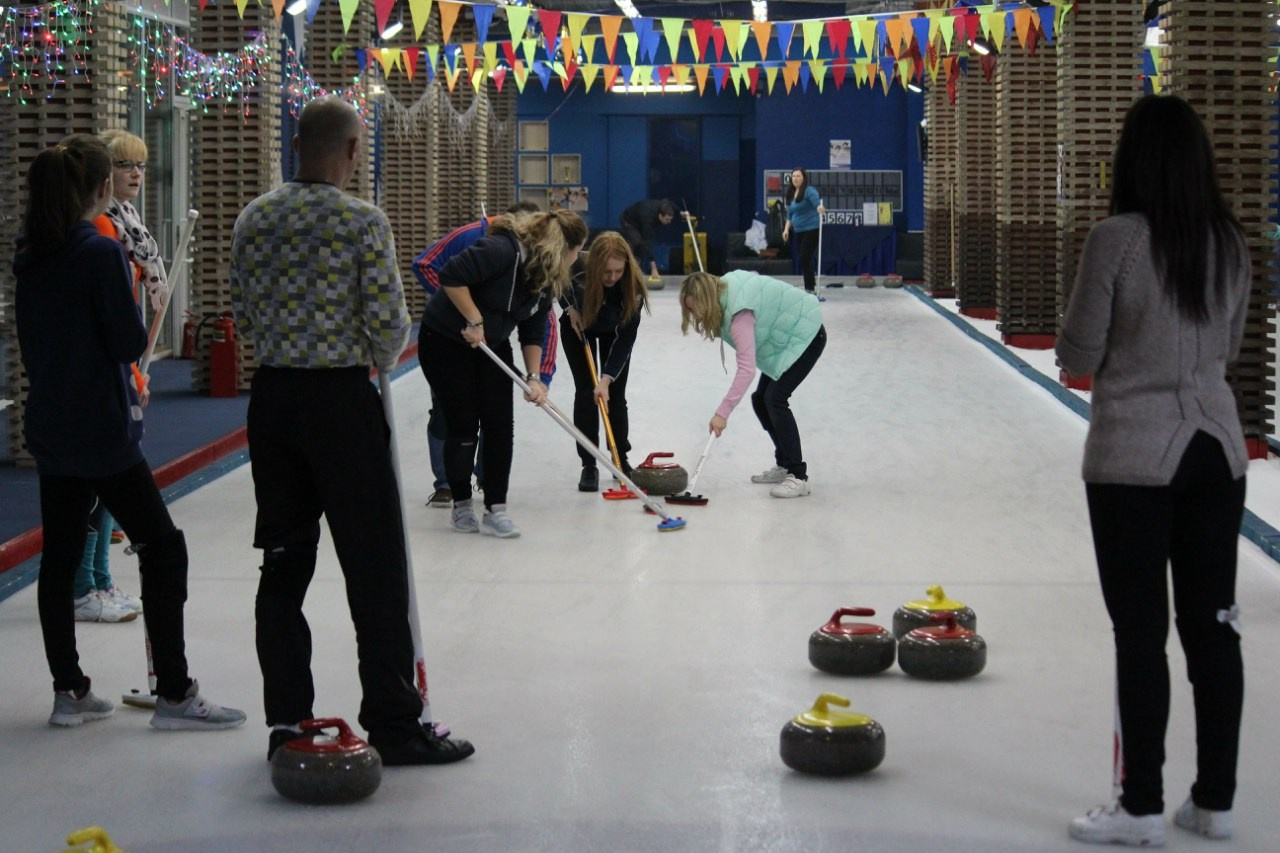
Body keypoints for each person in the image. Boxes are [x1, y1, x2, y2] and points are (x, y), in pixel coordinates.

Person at [230, 97, 473, 765]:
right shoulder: (362, 222)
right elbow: (393, 326)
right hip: (342, 401)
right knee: (374, 567)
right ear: (352, 150)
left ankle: (287, 720)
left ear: (296, 141)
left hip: (274, 402)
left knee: (283, 563)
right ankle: (394, 722)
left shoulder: (253, 217)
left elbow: (242, 316)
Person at [1059, 95, 1250, 847]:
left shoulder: (1117, 241)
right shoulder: (1229, 242)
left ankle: (1140, 805)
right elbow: (1228, 347)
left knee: (1140, 633)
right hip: (1217, 454)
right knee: (1214, 629)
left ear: (1132, 163)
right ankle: (1215, 800)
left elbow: (1078, 353)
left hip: (1132, 461)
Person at [14, 133, 245, 731]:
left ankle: (70, 690)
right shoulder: (97, 250)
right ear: (99, 187)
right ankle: (174, 692)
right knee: (163, 547)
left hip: (54, 421)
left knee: (60, 557)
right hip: (99, 425)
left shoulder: (32, 249)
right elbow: (125, 339)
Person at [419, 208, 587, 538]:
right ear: (561, 246)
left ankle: (497, 508)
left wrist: (534, 377)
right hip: (445, 340)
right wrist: (474, 319)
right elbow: (451, 275)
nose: (577, 258)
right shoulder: (503, 251)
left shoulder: (546, 275)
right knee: (464, 424)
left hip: (491, 342)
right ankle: (462, 505)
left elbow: (533, 328)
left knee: (499, 424)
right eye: (577, 251)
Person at [68, 128, 166, 624]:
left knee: (106, 487)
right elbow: (111, 316)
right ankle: (85, 583)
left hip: (119, 368)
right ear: (103, 176)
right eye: (124, 165)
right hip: (107, 372)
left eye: (141, 166)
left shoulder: (127, 225)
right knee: (99, 485)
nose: (135, 175)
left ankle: (100, 579)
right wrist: (132, 374)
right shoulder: (104, 233)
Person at [679, 270, 826, 499]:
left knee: (775, 399)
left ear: (707, 300)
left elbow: (747, 369)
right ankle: (785, 464)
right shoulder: (726, 292)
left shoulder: (739, 313)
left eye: (694, 308)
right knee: (760, 399)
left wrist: (722, 412)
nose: (693, 315)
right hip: (785, 339)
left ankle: (798, 476)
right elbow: (758, 283)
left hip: (805, 334)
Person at [559, 231, 650, 491]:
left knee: (615, 395)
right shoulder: (575, 268)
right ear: (595, 265)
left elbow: (626, 338)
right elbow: (556, 283)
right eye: (606, 272)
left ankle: (620, 457)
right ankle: (589, 463)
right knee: (587, 392)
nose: (612, 278)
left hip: (614, 331)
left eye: (617, 272)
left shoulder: (633, 287)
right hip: (579, 326)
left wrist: (607, 379)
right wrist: (570, 309)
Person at [781, 168, 825, 295]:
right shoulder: (790, 193)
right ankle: (809, 286)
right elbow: (790, 213)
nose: (795, 178)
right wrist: (786, 229)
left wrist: (820, 208)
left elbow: (817, 203)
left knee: (805, 257)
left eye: (798, 176)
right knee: (804, 259)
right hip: (798, 230)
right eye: (793, 176)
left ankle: (810, 288)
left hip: (812, 229)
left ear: (804, 178)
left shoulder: (809, 191)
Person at [619, 198, 682, 279]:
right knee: (638, 243)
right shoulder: (648, 219)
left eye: (670, 219)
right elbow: (647, 242)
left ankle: (637, 268)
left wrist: (680, 212)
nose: (669, 222)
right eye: (667, 219)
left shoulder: (664, 204)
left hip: (639, 220)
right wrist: (654, 268)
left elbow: (670, 203)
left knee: (641, 243)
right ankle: (632, 270)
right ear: (660, 215)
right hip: (628, 220)